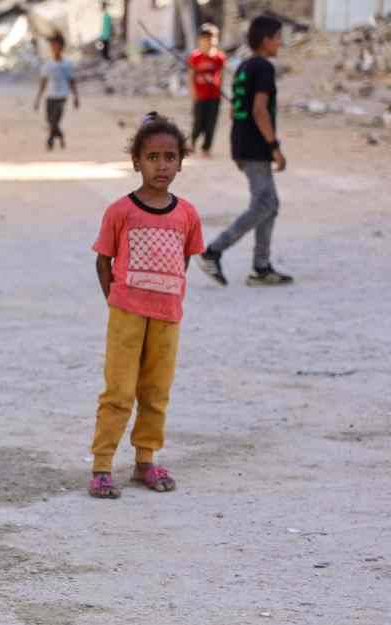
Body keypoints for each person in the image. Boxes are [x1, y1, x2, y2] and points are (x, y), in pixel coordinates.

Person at [88, 113, 205, 499]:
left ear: (181, 163)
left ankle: (145, 460)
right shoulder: (120, 211)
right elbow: (103, 260)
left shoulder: (186, 213)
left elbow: (183, 259)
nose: (162, 165)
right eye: (152, 157)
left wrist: (163, 294)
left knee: (156, 391)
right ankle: (102, 465)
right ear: (136, 161)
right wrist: (117, 300)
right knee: (119, 391)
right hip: (127, 314)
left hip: (167, 316)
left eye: (170, 157)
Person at [198, 15, 292, 287]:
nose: (280, 43)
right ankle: (213, 251)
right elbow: (259, 110)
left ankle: (261, 268)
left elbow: (234, 109)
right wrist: (274, 146)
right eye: (277, 38)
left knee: (269, 205)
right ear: (266, 40)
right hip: (255, 146)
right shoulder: (263, 68)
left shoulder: (243, 67)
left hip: (242, 143)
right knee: (264, 204)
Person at [33, 33, 80, 150]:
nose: (55, 48)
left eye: (57, 46)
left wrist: (76, 96)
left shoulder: (67, 64)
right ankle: (60, 136)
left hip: (62, 96)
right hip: (50, 96)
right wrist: (38, 99)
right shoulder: (47, 65)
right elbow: (43, 82)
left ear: (61, 47)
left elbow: (71, 81)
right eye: (53, 46)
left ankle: (50, 139)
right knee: (50, 121)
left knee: (55, 120)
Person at [188, 23, 226, 157]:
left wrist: (219, 88)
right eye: (205, 39)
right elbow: (191, 75)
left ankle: (206, 147)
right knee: (198, 121)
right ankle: (192, 142)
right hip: (200, 95)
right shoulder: (195, 57)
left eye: (211, 38)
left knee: (211, 123)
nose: (208, 42)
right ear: (200, 40)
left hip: (214, 96)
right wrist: (193, 92)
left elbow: (221, 75)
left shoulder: (219, 57)